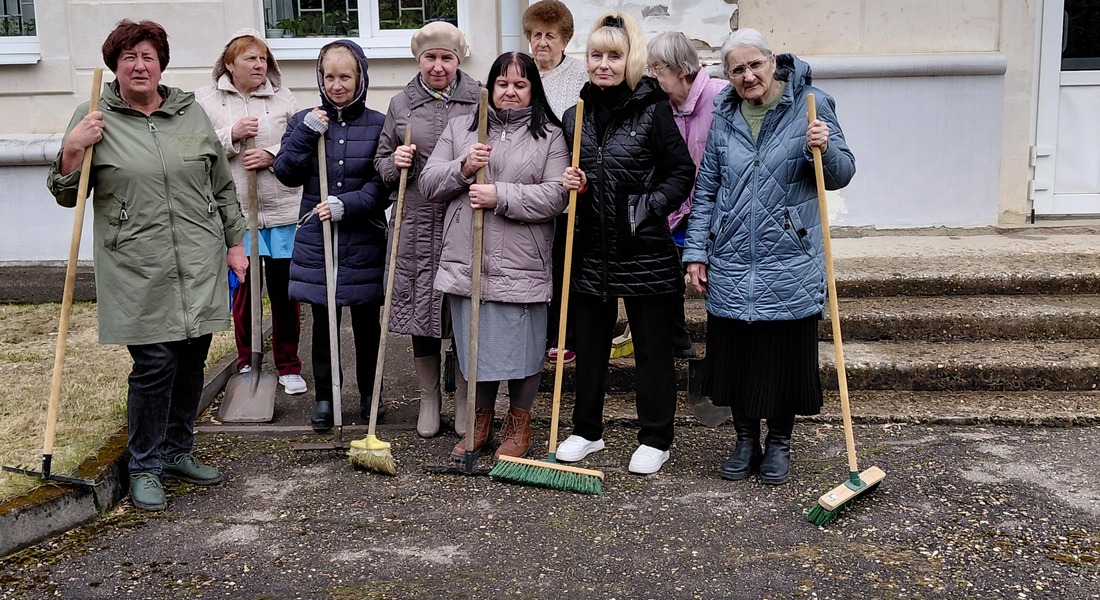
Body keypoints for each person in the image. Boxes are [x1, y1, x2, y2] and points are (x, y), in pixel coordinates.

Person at [46, 20, 247, 511]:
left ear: (162, 63)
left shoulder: (189, 112)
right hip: (137, 262)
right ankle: (145, 464)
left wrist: (235, 242)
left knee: (193, 357)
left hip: (198, 259)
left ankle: (179, 450)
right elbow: (66, 195)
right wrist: (73, 148)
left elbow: (220, 185)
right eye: (129, 56)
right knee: (155, 363)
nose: (140, 65)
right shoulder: (95, 113)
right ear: (115, 64)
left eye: (149, 56)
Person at [683, 28, 856, 485]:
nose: (748, 76)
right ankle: (745, 440)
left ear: (772, 61)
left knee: (783, 359)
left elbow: (841, 175)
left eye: (754, 65)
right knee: (737, 357)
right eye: (736, 69)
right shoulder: (724, 113)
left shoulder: (812, 103)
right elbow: (706, 191)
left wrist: (826, 147)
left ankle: (779, 442)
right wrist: (696, 252)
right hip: (733, 256)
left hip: (790, 256)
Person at [558, 12, 695, 475]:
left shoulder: (653, 109)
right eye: (596, 55)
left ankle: (656, 437)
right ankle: (586, 431)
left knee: (652, 349)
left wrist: (649, 205)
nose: (603, 64)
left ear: (629, 59)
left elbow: (681, 173)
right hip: (591, 246)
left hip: (645, 248)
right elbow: (570, 173)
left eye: (614, 56)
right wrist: (571, 182)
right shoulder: (574, 116)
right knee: (591, 346)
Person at [419, 51, 569, 459]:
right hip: (467, 260)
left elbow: (556, 196)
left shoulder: (550, 136)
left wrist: (500, 195)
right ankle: (480, 423)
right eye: (502, 83)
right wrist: (465, 167)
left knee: (523, 349)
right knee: (475, 348)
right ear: (489, 87)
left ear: (533, 91)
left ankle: (519, 424)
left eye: (520, 85)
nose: (510, 92)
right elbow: (429, 182)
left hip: (522, 262)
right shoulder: (460, 128)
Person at [274, 40, 390, 433]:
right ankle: (325, 396)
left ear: (361, 78)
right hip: (316, 236)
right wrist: (307, 133)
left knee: (366, 323)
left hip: (362, 235)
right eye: (329, 76)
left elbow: (382, 186)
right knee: (323, 320)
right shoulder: (305, 120)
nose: (337, 85)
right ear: (320, 78)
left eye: (345, 76)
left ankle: (370, 395)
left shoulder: (378, 124)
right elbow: (286, 173)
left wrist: (347, 204)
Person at [375, 22, 481, 438]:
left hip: (462, 214)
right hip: (417, 216)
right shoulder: (402, 103)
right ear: (419, 60)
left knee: (461, 307)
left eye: (447, 58)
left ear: (458, 60)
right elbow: (381, 160)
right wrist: (394, 162)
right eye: (430, 58)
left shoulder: (479, 99)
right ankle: (430, 399)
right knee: (423, 308)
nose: (438, 66)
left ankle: (465, 398)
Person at [196, 29, 306, 395]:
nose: (259, 65)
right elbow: (197, 149)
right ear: (230, 63)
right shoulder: (206, 102)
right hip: (237, 213)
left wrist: (272, 154)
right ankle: (247, 361)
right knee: (244, 291)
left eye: (263, 58)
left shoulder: (283, 99)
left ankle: (288, 365)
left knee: (284, 291)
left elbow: (300, 144)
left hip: (282, 209)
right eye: (250, 58)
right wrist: (231, 135)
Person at [646, 31, 730, 360]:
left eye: (657, 67)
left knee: (718, 283)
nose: (651, 75)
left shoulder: (721, 97)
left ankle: (723, 355)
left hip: (716, 210)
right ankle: (679, 343)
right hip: (674, 210)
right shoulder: (659, 106)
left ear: (680, 68)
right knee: (665, 278)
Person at [521, 0, 587, 365]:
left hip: (567, 188)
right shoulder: (521, 72)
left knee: (566, 264)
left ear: (564, 39)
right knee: (533, 263)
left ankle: (566, 335)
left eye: (550, 35)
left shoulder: (580, 76)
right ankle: (538, 334)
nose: (541, 42)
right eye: (536, 35)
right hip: (528, 187)